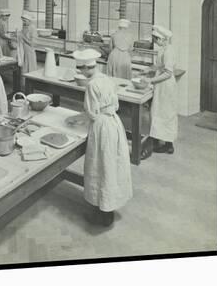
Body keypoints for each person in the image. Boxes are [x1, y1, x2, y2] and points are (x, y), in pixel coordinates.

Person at [67, 48, 132, 227]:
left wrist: (75, 119)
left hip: (101, 127)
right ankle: (108, 208)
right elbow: (113, 105)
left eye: (81, 70)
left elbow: (92, 113)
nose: (81, 73)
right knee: (110, 166)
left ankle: (100, 213)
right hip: (114, 124)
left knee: (98, 166)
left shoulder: (91, 85)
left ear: (86, 68)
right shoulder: (106, 79)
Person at [139, 25, 178, 160]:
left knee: (166, 114)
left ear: (162, 39)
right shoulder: (164, 49)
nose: (155, 42)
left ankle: (168, 144)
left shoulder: (169, 51)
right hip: (161, 86)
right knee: (157, 113)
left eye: (156, 39)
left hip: (166, 86)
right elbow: (160, 66)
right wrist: (149, 69)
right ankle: (156, 140)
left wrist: (151, 80)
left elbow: (168, 72)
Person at [18, 11, 38, 77]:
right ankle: (25, 82)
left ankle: (31, 82)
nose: (23, 22)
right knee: (25, 67)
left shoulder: (32, 28)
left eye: (25, 21)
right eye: (23, 21)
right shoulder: (25, 26)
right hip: (24, 50)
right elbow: (21, 34)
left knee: (30, 67)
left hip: (29, 51)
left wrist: (22, 37)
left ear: (29, 20)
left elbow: (32, 44)